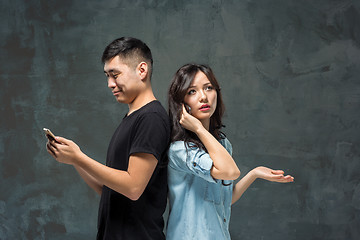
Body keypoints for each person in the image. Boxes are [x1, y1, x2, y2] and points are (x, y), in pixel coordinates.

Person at [46, 37, 171, 240]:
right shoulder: (132, 118)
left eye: (115, 75)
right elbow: (108, 190)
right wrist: (74, 160)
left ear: (142, 70)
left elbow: (133, 187)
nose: (109, 84)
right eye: (107, 76)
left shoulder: (151, 119)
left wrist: (79, 158)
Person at [166, 63, 294, 240]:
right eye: (192, 91)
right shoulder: (180, 150)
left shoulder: (222, 144)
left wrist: (254, 173)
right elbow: (230, 171)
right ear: (181, 103)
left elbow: (223, 199)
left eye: (208, 88)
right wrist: (199, 129)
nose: (203, 97)